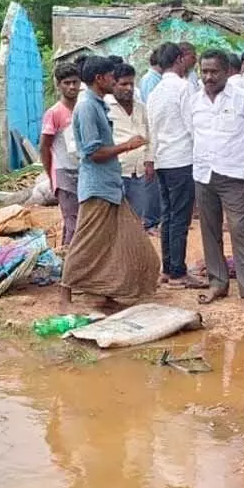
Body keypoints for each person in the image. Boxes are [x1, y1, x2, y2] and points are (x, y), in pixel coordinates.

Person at [60, 56, 160, 309]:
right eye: (112, 78)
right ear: (99, 79)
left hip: (110, 186)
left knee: (125, 244)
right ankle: (65, 292)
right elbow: (93, 152)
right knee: (86, 242)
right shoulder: (87, 108)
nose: (116, 82)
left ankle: (107, 290)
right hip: (97, 187)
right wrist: (127, 145)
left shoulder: (97, 104)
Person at [184, 49, 244, 313]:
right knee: (209, 230)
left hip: (232, 174)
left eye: (213, 71)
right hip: (203, 174)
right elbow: (190, 134)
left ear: (227, 72)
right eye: (204, 71)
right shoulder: (193, 101)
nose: (208, 77)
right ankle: (217, 283)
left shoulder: (243, 99)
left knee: (239, 229)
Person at [146, 42, 201, 288]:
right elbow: (193, 125)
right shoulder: (184, 88)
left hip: (162, 159)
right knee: (180, 216)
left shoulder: (155, 91)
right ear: (179, 59)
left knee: (168, 215)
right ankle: (178, 271)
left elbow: (152, 129)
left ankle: (168, 268)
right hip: (182, 158)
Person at [107, 63, 158, 231]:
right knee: (115, 221)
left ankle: (131, 255)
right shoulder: (105, 108)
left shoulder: (141, 108)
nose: (128, 88)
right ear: (113, 84)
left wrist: (150, 161)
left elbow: (151, 136)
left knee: (136, 221)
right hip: (116, 172)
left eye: (131, 83)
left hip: (140, 172)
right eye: (123, 84)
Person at [40, 63, 82, 246]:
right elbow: (44, 146)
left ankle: (68, 258)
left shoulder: (83, 108)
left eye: (75, 82)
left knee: (79, 223)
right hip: (64, 173)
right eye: (67, 83)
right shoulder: (54, 113)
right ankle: (70, 267)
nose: (72, 87)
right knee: (73, 223)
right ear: (58, 85)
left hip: (84, 172)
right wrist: (51, 174)